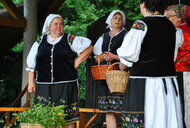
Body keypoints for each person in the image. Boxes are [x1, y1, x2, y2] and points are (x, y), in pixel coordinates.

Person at [117, 0, 184, 128]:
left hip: (145, 82)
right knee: (165, 119)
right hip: (168, 82)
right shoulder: (171, 26)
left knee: (149, 117)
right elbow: (173, 55)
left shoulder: (141, 25)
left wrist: (123, 64)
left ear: (144, 5)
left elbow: (127, 56)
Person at [26, 14, 93, 128]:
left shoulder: (70, 39)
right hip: (44, 85)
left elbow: (89, 47)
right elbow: (31, 64)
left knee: (67, 117)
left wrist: (78, 60)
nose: (59, 26)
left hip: (66, 84)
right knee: (44, 117)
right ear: (49, 27)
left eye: (61, 24)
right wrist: (31, 82)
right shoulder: (39, 42)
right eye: (55, 24)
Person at [93, 10, 128, 128]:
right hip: (104, 77)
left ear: (123, 21)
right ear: (110, 20)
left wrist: (114, 57)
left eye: (120, 18)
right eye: (115, 18)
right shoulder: (103, 36)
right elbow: (96, 55)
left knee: (124, 108)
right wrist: (102, 56)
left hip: (120, 77)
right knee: (108, 109)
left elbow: (130, 55)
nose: (117, 20)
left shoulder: (127, 35)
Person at [164, 5, 190, 128]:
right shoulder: (182, 30)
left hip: (180, 71)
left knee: (182, 103)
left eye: (169, 16)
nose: (167, 19)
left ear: (178, 18)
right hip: (182, 71)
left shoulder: (177, 31)